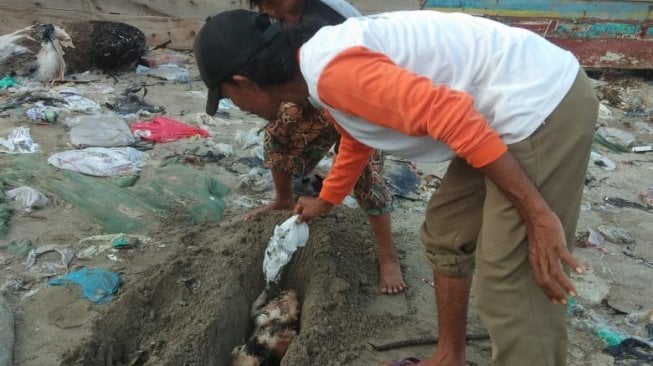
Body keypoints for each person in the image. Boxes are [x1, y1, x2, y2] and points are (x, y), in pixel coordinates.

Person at [194, 9, 598, 366]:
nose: (237, 107)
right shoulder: (317, 68)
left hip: (540, 105)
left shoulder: (332, 72)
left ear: (242, 81)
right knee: (446, 233)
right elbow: (358, 132)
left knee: (509, 279)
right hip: (493, 114)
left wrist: (539, 215)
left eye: (227, 98)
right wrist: (328, 199)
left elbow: (453, 118)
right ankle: (449, 357)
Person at [240, 0, 407, 295]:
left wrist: (328, 197)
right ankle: (282, 199)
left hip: (356, 94)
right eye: (261, 4)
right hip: (310, 90)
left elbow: (359, 96)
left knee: (365, 172)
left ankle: (388, 255)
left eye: (269, 2)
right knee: (281, 130)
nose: (266, 10)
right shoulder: (278, 16)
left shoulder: (328, 18)